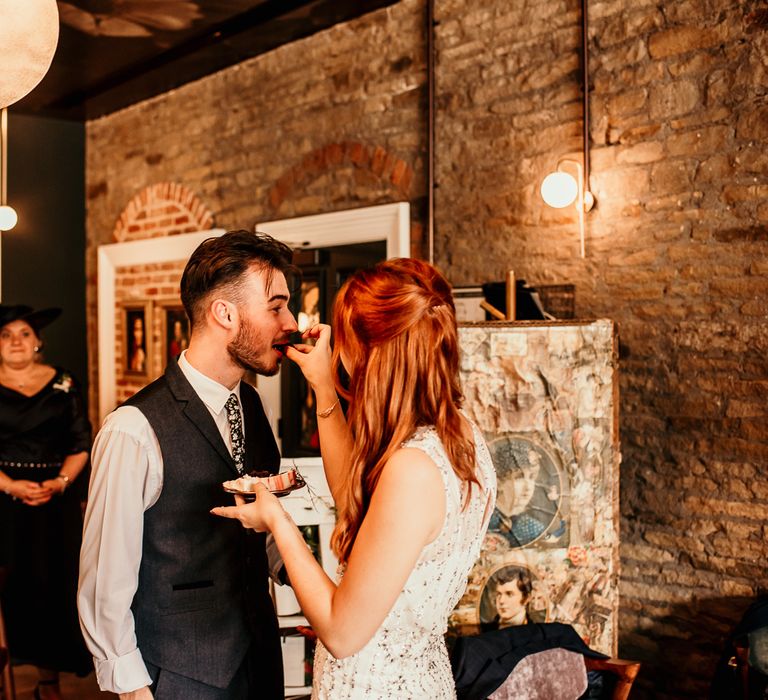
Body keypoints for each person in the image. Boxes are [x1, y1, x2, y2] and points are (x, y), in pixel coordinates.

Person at [214, 258, 498, 698]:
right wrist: (325, 389)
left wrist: (278, 522)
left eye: (347, 344)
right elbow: (357, 505)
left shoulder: (412, 470)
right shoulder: (461, 434)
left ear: (375, 354)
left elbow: (342, 634)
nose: (343, 358)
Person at [78, 230, 299, 700]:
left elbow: (259, 530)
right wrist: (132, 687)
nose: (291, 322)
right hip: (176, 678)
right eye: (276, 307)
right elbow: (104, 578)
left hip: (259, 662)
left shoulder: (253, 408)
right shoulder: (133, 429)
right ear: (225, 313)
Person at [0, 304, 92, 700]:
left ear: (38, 341)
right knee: (9, 590)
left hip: (54, 502)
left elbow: (81, 441)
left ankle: (47, 683)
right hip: (2, 500)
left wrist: (60, 481)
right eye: (5, 335)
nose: (16, 341)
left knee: (53, 589)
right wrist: (10, 486)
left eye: (23, 333)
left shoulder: (64, 382)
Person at [481, 566, 533, 631]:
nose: (501, 601)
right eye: (499, 594)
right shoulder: (487, 630)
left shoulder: (534, 631)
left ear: (526, 598)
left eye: (509, 594)